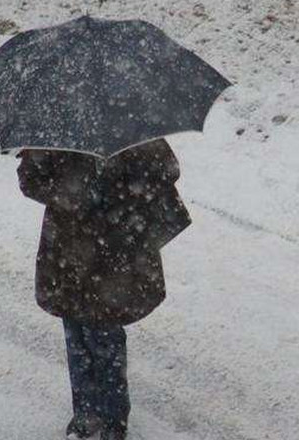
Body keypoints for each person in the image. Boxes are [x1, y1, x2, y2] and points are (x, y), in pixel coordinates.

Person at [17, 139, 191, 440]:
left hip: (112, 251)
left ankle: (113, 420)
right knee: (77, 334)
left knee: (105, 334)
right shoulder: (58, 132)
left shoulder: (130, 131)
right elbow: (29, 180)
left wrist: (120, 189)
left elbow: (166, 169)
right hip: (68, 250)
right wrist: (71, 194)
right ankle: (85, 416)